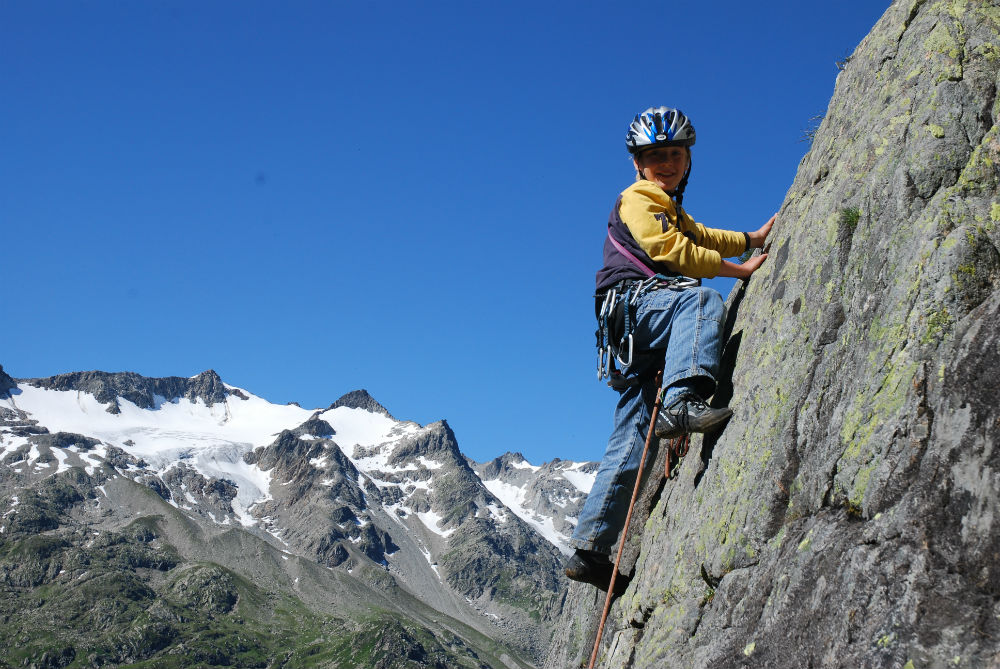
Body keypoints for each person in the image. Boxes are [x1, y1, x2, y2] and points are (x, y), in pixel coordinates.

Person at [565, 106, 774, 591]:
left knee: (631, 434)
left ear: (687, 160)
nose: (668, 163)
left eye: (675, 154)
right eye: (657, 155)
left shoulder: (667, 206)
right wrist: (739, 270)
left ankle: (590, 551)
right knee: (698, 299)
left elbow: (698, 235)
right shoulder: (638, 199)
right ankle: (681, 401)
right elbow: (671, 252)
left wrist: (749, 239)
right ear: (638, 163)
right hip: (642, 306)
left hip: (633, 329)